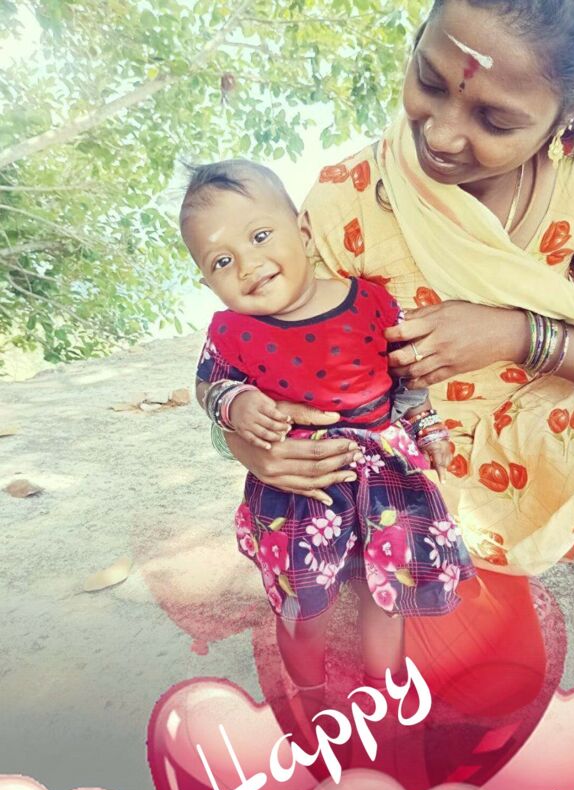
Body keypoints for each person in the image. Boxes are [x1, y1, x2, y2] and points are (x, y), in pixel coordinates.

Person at [203, 0, 574, 583]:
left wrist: (517, 335)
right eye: (429, 81)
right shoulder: (344, 205)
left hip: (556, 436)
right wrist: (248, 441)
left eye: (496, 122)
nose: (441, 133)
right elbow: (254, 361)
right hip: (402, 469)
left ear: (573, 107)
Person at [181, 160, 475, 715]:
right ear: (207, 283)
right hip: (300, 492)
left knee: (385, 594)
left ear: (304, 231)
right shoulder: (231, 332)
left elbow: (407, 377)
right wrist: (234, 403)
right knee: (303, 607)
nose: (248, 264)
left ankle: (385, 692)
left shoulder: (371, 302)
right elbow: (208, 385)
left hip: (387, 481)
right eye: (221, 261)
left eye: (260, 236)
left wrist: (426, 424)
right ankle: (308, 693)